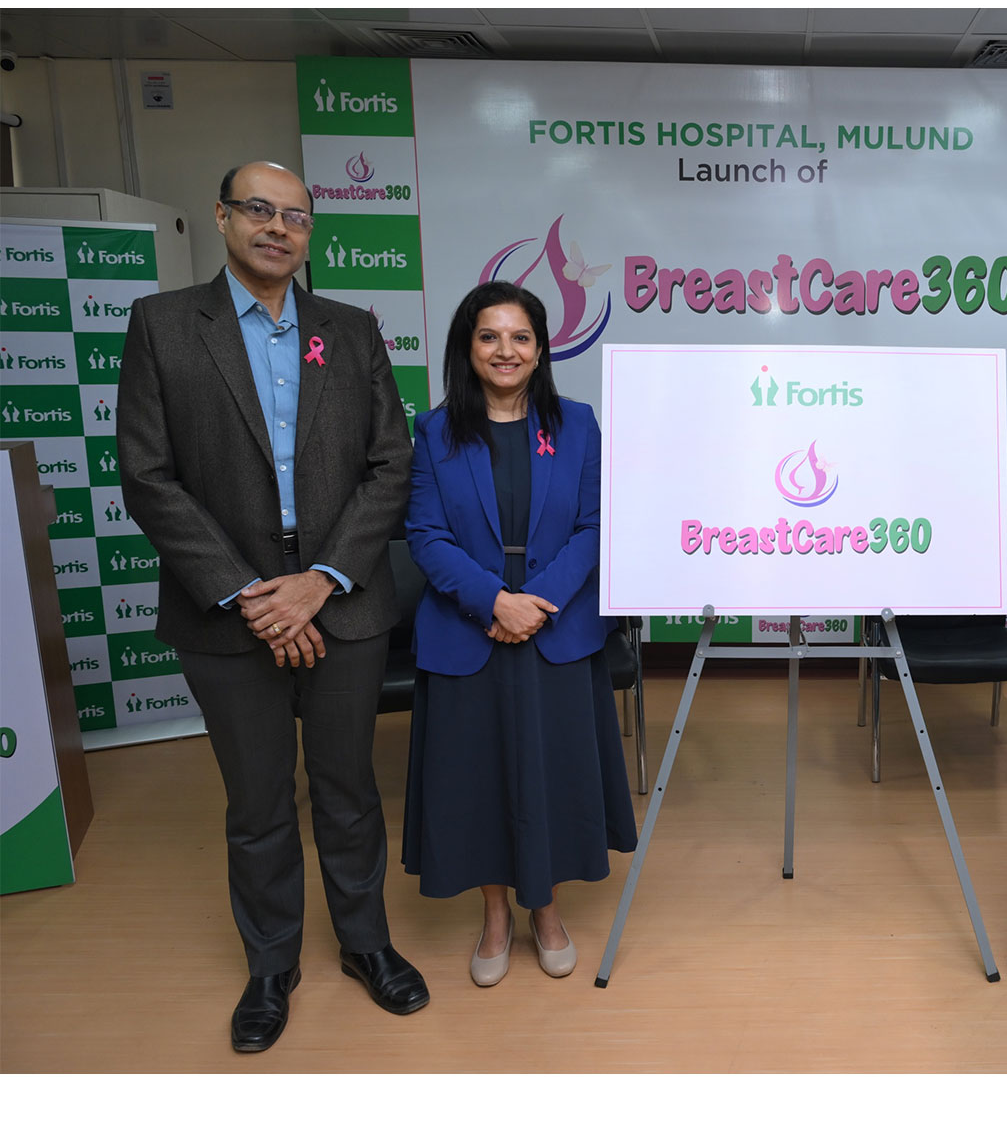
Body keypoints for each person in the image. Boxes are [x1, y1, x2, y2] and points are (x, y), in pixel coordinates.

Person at [117, 161, 428, 1053]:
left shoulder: (351, 330)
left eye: (295, 216)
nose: (277, 228)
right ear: (221, 218)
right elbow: (146, 474)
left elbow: (391, 465)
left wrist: (320, 579)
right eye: (258, 209)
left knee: (348, 790)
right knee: (256, 800)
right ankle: (271, 966)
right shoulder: (164, 325)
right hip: (228, 607)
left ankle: (366, 944)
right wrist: (251, 592)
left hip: (341, 596)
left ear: (309, 232)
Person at [402, 281, 638, 986]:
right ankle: (496, 915)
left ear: (540, 350)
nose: (505, 350)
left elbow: (596, 525)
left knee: (552, 774)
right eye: (489, 336)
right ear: (467, 347)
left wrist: (537, 603)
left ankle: (547, 909)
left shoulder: (578, 425)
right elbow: (425, 534)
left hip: (555, 627)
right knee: (480, 780)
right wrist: (494, 602)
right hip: (469, 628)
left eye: (520, 337)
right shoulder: (435, 432)